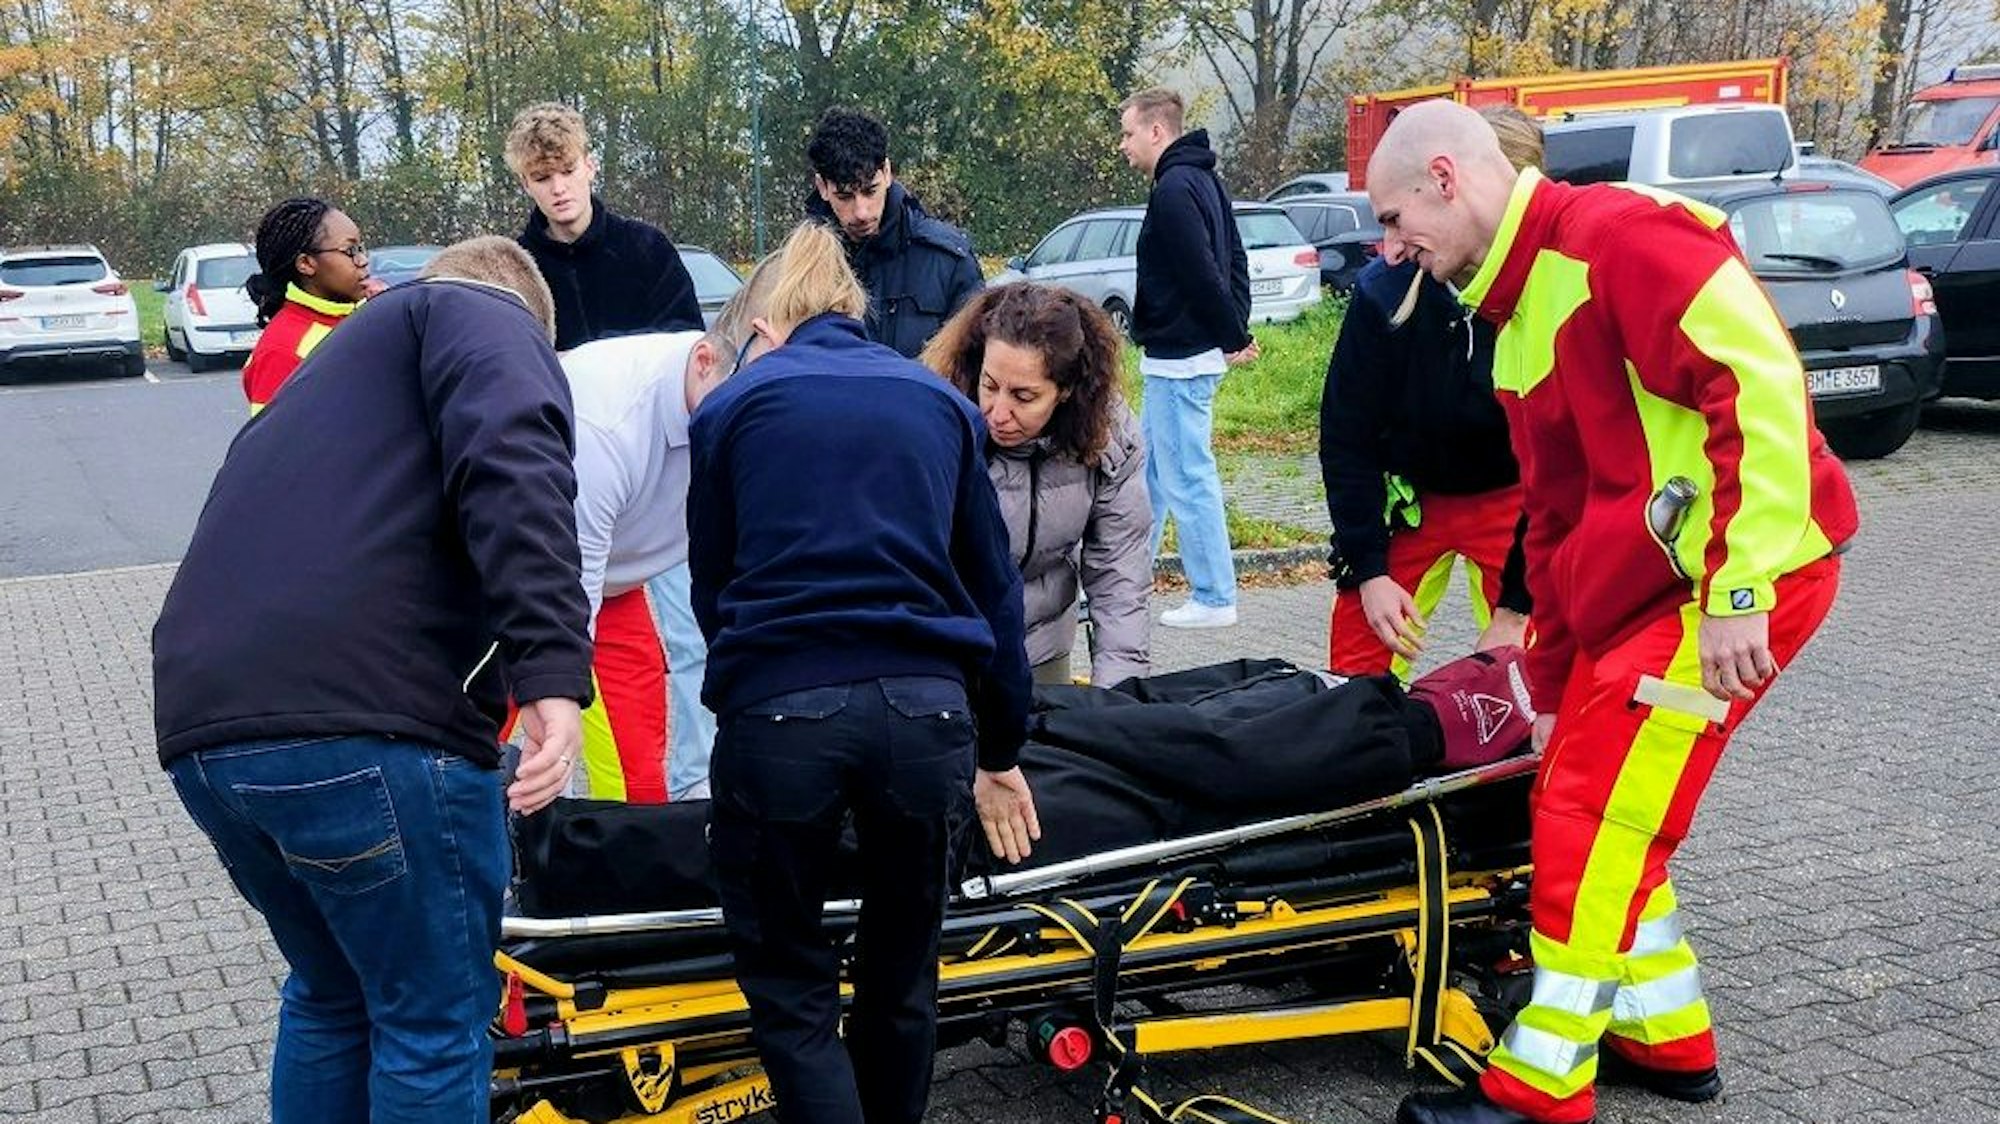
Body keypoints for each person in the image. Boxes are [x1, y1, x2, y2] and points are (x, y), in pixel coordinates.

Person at [1368, 102, 1859, 1124]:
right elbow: (1549, 523)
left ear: (1447, 181)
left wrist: (1735, 587)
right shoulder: (1514, 309)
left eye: (1392, 213)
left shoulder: (1616, 239)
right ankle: (1665, 1036)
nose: (1387, 243)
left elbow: (1759, 384)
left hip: (1718, 585)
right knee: (1600, 804)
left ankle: (1542, 1084)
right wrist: (1544, 684)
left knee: (1589, 819)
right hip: (1647, 594)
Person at [153, 236, 594, 1122]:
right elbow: (513, 469)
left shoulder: (316, 381)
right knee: (431, 1024)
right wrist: (551, 675)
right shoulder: (487, 313)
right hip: (367, 733)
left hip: (207, 732)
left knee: (330, 993)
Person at [687, 221, 1038, 1124]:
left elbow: (712, 588)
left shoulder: (732, 408)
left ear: (766, 325)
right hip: (924, 721)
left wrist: (747, 686)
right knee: (902, 974)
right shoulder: (940, 405)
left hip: (780, 719)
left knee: (792, 981)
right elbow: (994, 594)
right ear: (852, 310)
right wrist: (1000, 744)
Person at [1319, 106, 1544, 680]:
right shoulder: (1384, 296)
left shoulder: (1540, 294)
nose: (1390, 248)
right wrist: (1367, 572)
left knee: (1533, 667)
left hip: (1514, 497)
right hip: (1411, 497)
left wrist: (1516, 609)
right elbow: (1346, 438)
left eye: (1397, 223)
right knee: (1356, 666)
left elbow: (1562, 468)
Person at [923, 282, 1153, 686]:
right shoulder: (932, 421)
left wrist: (1118, 703)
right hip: (946, 653)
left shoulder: (1109, 436)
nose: (998, 413)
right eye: (989, 386)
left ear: (1065, 392)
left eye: (1024, 397)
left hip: (1042, 649)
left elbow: (1120, 577)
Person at [554, 325, 742, 802]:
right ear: (703, 362)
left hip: (615, 580)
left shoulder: (735, 398)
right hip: (539, 585)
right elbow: (574, 590)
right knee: (476, 755)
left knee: (639, 784)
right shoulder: (606, 423)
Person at [1117, 86, 1254, 630]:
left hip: (1180, 360)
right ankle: (1125, 582)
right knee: (1148, 475)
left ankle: (1215, 596)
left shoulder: (1174, 189)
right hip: (1181, 358)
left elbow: (1201, 271)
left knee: (1186, 477)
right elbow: (1235, 260)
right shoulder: (1202, 180)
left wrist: (1231, 334)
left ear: (1156, 131)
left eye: (1128, 133)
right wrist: (1234, 329)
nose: (1122, 144)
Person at [506, 101, 704, 351]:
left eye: (568, 171)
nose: (558, 189)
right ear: (526, 184)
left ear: (590, 167)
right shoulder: (515, 270)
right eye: (542, 178)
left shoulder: (648, 249)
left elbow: (687, 346)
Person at [804, 106, 984, 358]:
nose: (862, 212)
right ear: (822, 187)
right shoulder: (801, 270)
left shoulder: (949, 260)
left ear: (887, 173)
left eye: (870, 191)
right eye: (845, 196)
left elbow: (973, 365)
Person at [239, 197, 377, 413]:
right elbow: (277, 441)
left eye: (361, 248)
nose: (362, 260)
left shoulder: (369, 314)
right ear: (306, 264)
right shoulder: (282, 350)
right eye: (350, 251)